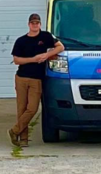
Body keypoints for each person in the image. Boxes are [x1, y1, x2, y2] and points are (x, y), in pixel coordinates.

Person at [8, 13, 64, 147]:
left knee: (32, 108)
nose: (35, 25)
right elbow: (16, 60)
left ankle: (14, 130)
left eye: (37, 23)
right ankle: (23, 139)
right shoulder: (21, 41)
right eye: (32, 23)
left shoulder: (46, 36)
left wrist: (47, 55)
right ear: (29, 24)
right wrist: (33, 59)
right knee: (21, 108)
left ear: (40, 24)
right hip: (21, 77)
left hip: (37, 79)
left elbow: (60, 47)